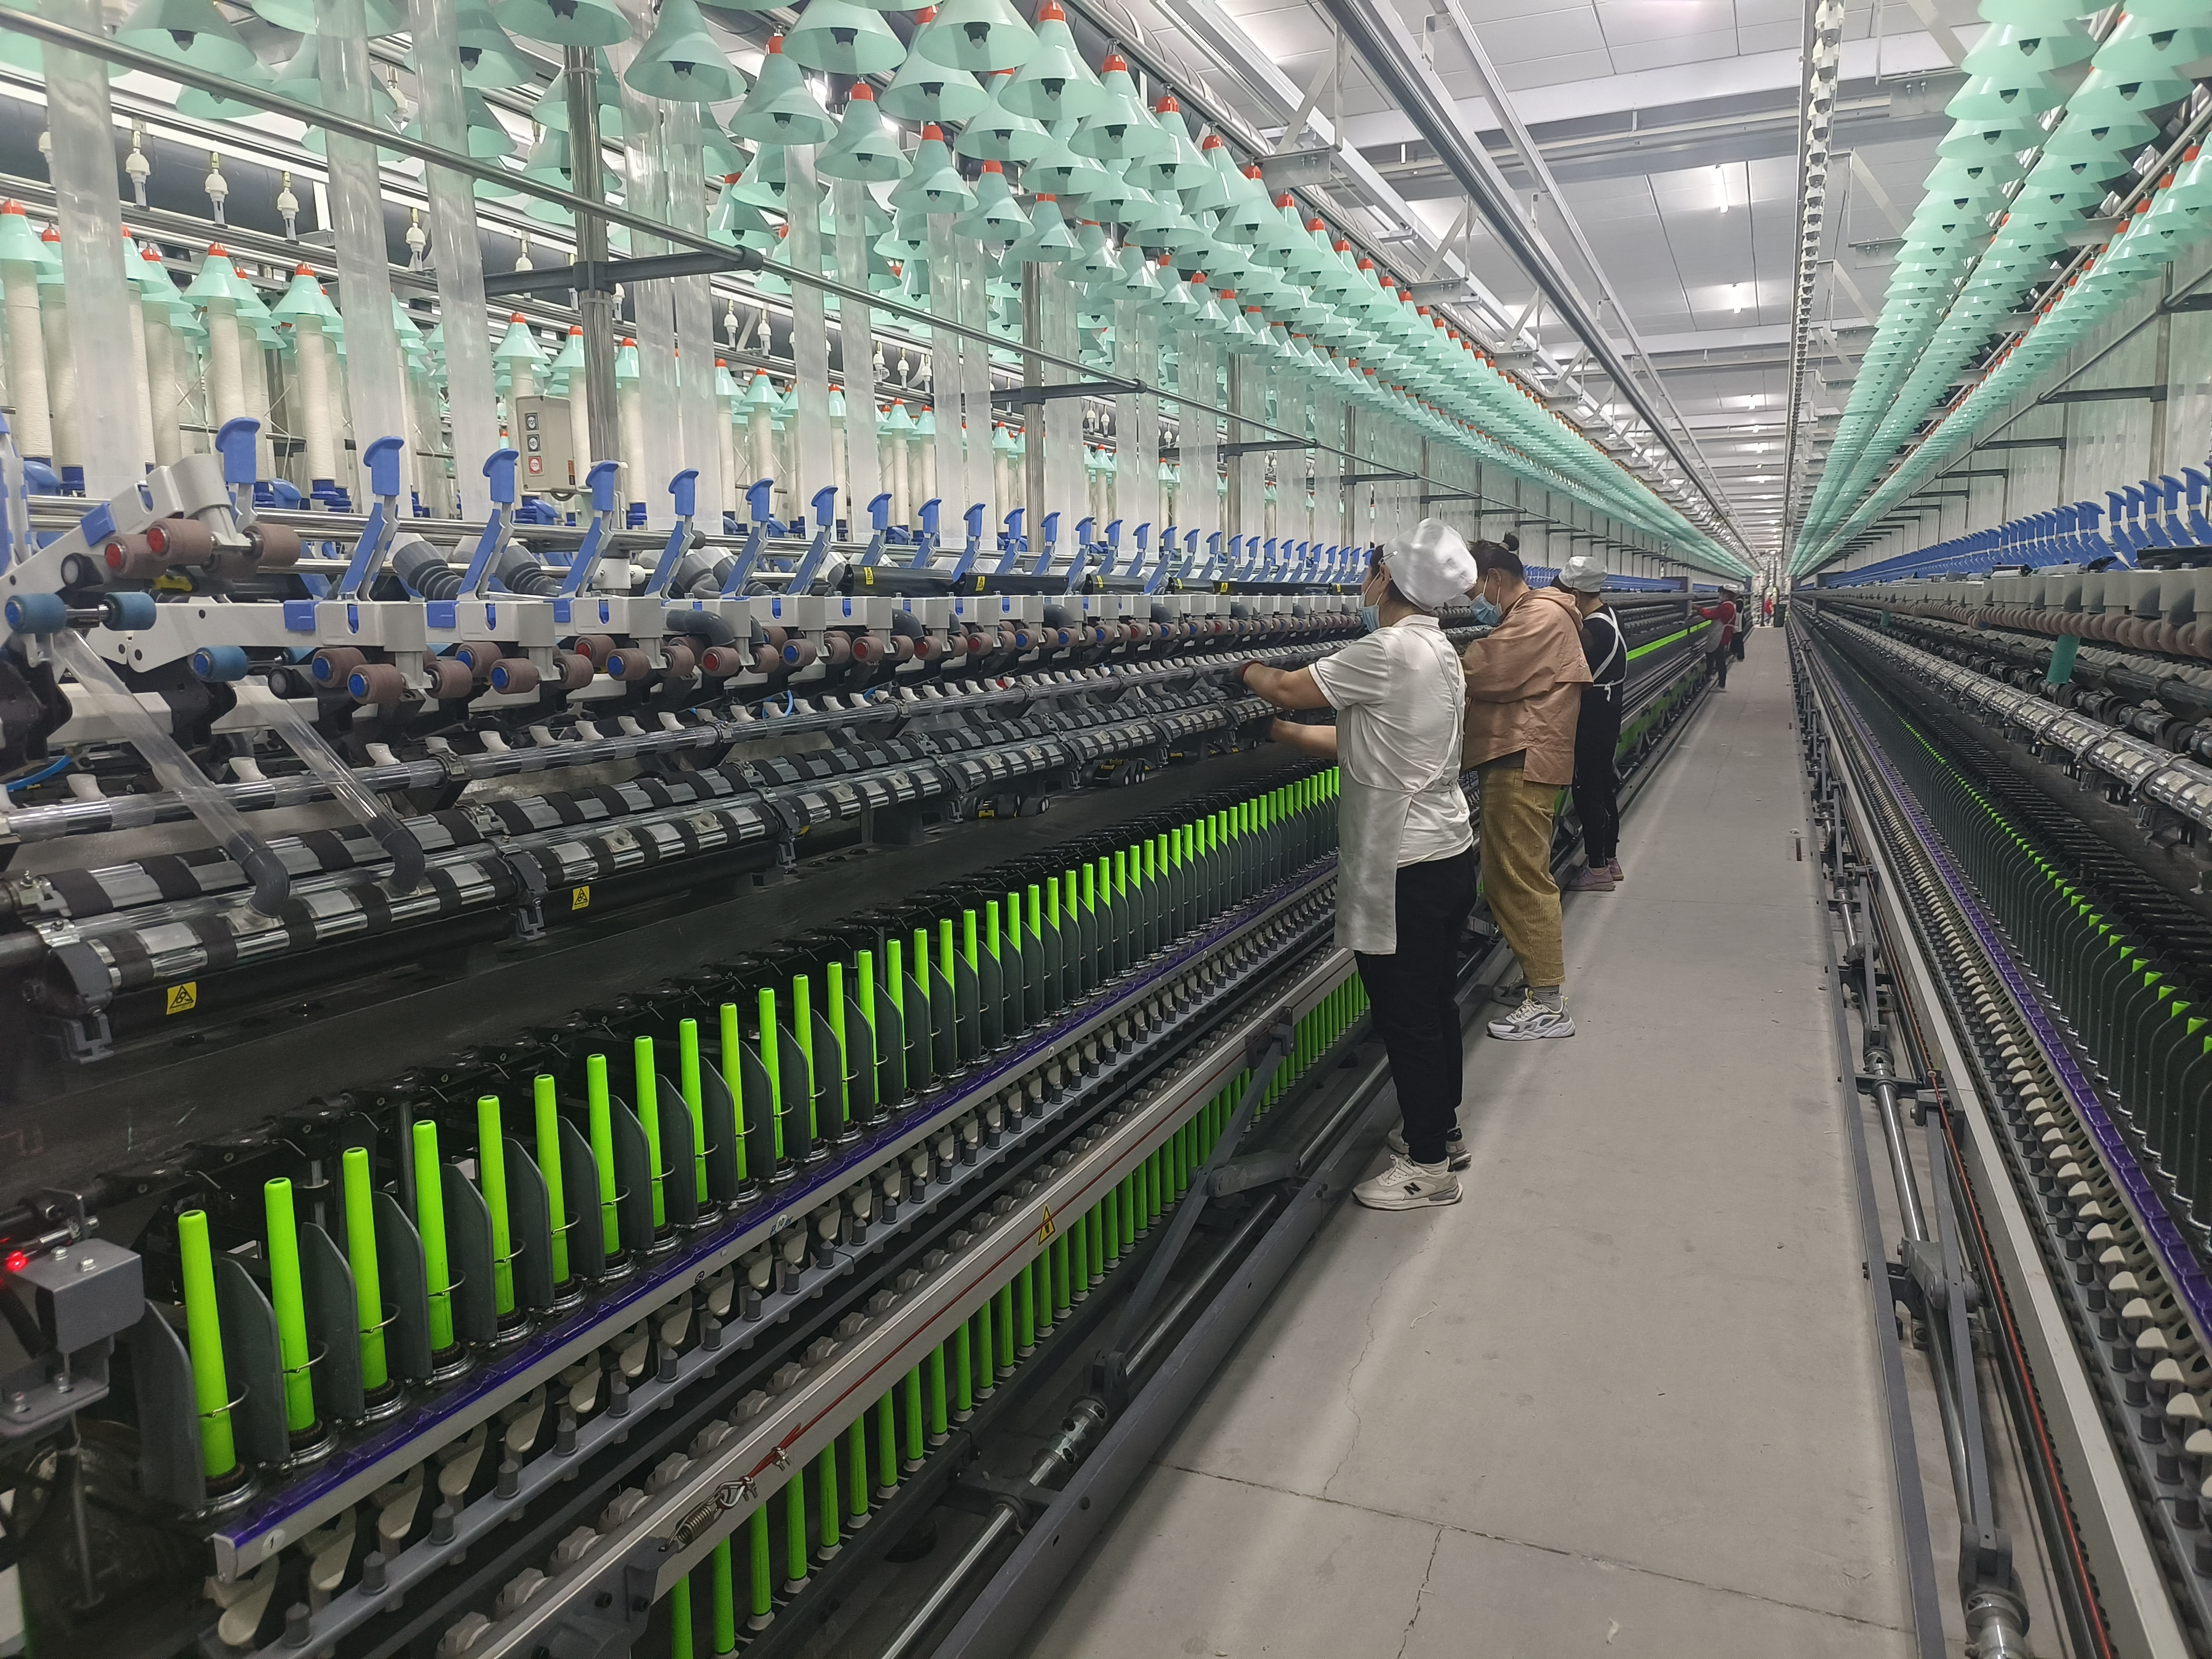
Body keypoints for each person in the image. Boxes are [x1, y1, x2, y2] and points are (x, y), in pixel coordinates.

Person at [1237, 521, 1483, 1210]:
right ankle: (1441, 1132)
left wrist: (1241, 669)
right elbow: (1371, 742)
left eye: (1370, 571)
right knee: (1433, 1005)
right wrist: (1281, 733)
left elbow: (1288, 687)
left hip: (1406, 863)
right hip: (1445, 850)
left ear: (1386, 579)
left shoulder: (1388, 649)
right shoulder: (1438, 649)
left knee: (1407, 1016)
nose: (1364, 583)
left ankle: (1428, 1169)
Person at [1460, 535, 1590, 1041]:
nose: (1472, 602)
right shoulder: (1536, 614)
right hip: (1519, 757)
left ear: (1494, 578)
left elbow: (1484, 671)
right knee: (1512, 875)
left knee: (1519, 880)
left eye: (1472, 590)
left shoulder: (1538, 617)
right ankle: (1540, 984)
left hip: (1522, 759)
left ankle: (1549, 1004)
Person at [1556, 554, 1625, 892]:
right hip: (1608, 714)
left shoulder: (1593, 630)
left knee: (1587, 791)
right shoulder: (1610, 615)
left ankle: (1597, 869)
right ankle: (1610, 859)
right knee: (1603, 787)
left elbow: (1566, 671)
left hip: (1591, 719)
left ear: (1575, 594)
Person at [1695, 588, 1738, 690]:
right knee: (1714, 656)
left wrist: (1698, 608)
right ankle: (1710, 674)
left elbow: (1711, 615)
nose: (1720, 595)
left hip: (1720, 636)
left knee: (1720, 660)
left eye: (1721, 593)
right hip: (1722, 635)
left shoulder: (1727, 607)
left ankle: (1721, 685)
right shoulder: (1730, 605)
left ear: (1727, 594)